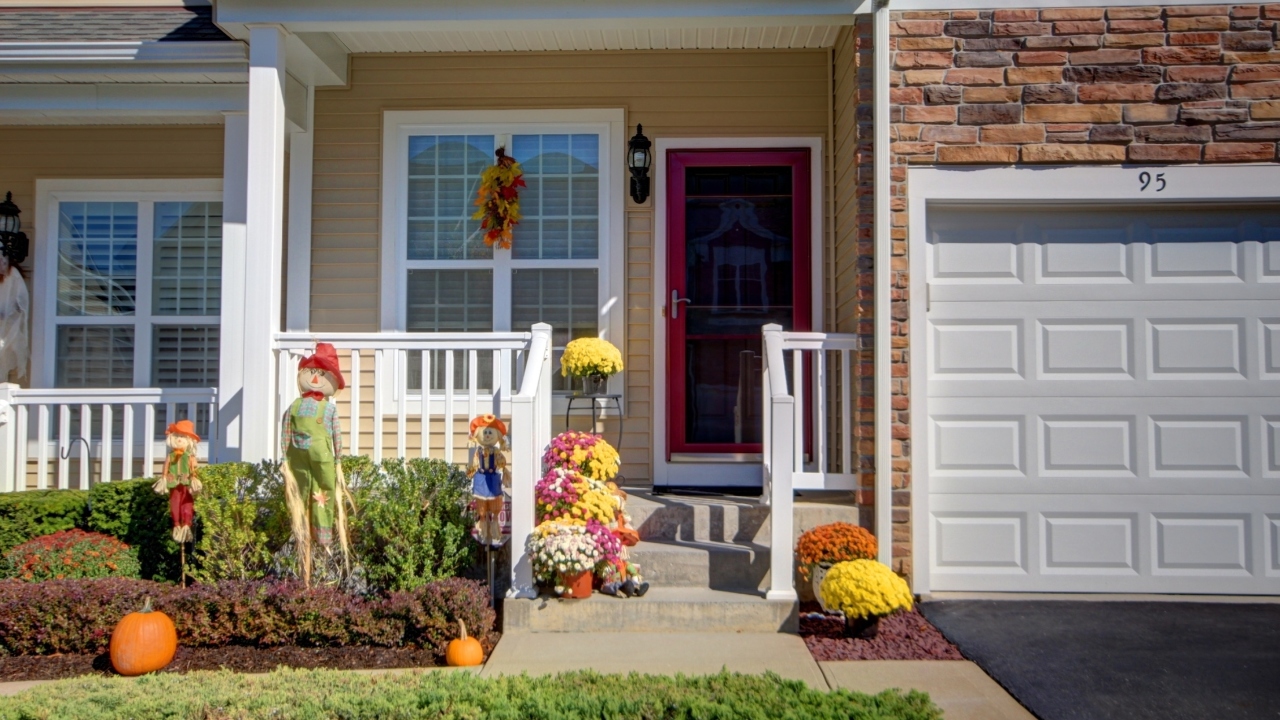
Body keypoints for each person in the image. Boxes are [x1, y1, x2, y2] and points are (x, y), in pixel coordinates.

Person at [280, 342, 349, 586]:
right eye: (312, 372)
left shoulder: (329, 410)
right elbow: (285, 431)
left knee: (323, 494)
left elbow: (336, 436)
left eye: (323, 374)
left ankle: (322, 536)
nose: (316, 378)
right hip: (297, 459)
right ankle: (301, 538)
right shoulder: (294, 407)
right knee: (300, 494)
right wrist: (284, 459)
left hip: (322, 459)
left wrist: (338, 460)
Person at [152, 419, 202, 543]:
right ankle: (176, 524)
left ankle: (186, 524)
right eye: (177, 436)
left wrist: (194, 477)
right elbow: (166, 467)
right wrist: (164, 477)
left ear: (189, 440)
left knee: (187, 502)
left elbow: (193, 467)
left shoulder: (189, 456)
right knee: (174, 502)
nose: (179, 439)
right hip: (173, 482)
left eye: (182, 437)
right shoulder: (171, 456)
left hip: (186, 482)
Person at [467, 414, 509, 548]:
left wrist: (504, 469)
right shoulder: (478, 452)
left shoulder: (496, 451)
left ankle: (495, 522)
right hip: (480, 478)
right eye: (485, 432)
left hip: (492, 477)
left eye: (490, 432)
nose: (487, 435)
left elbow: (502, 462)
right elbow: (474, 464)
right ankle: (483, 522)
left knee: (496, 502)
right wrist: (471, 470)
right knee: (481, 504)